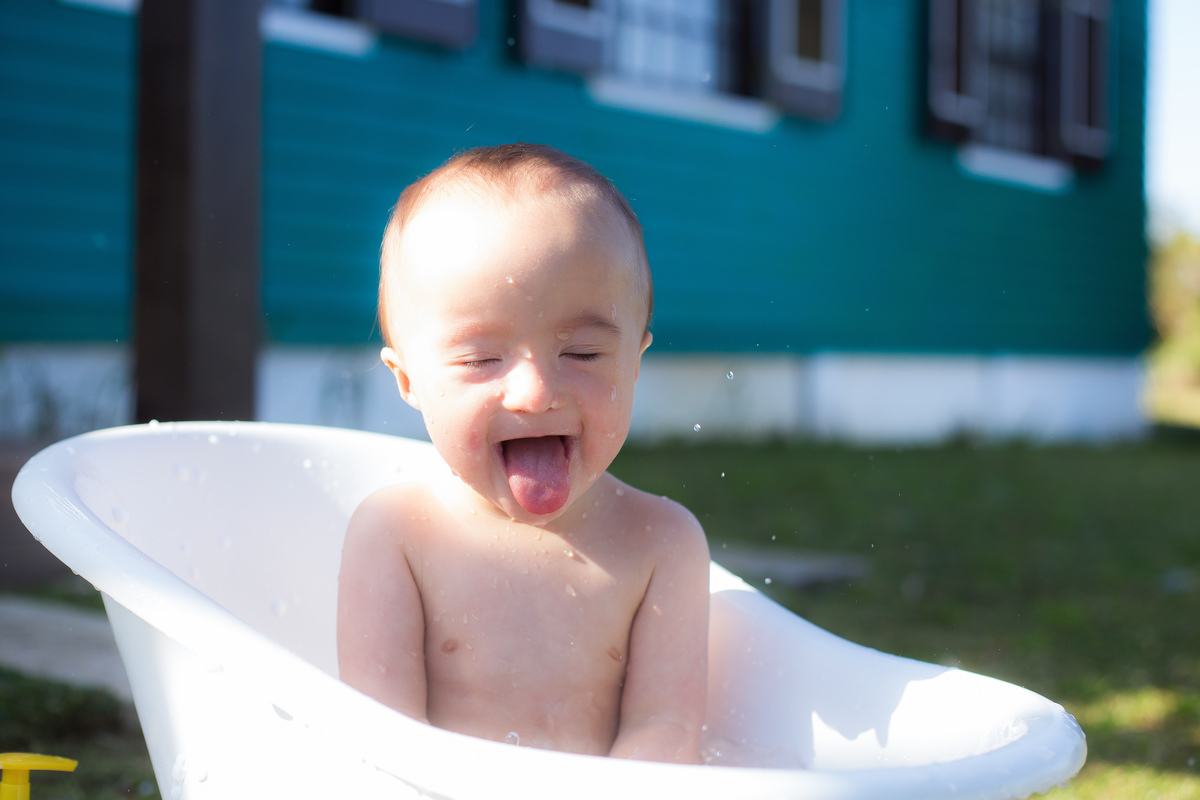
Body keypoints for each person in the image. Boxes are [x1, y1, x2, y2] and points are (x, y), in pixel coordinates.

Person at [337, 143, 710, 764]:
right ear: (408, 382)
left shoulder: (663, 541)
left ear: (635, 362)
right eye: (481, 359)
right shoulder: (396, 534)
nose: (535, 394)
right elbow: (380, 739)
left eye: (584, 354)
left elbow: (665, 733)